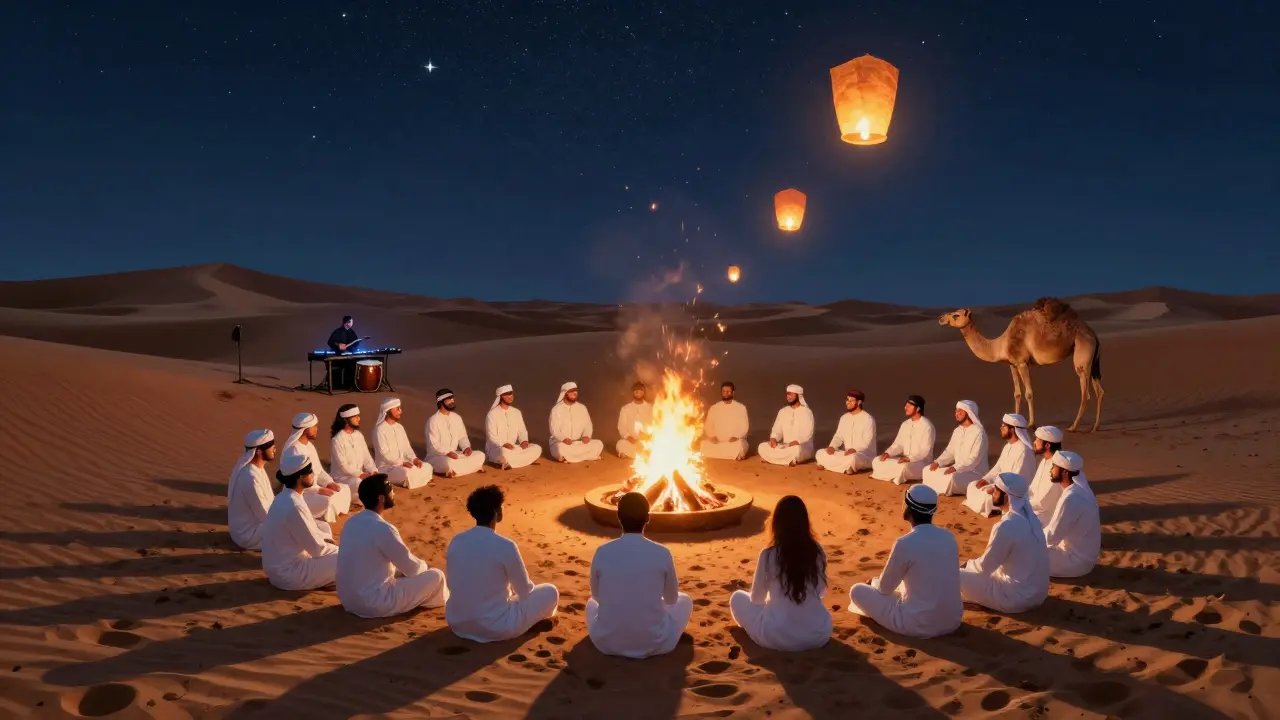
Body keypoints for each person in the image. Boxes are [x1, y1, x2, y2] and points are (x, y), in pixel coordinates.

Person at [445, 485, 560, 642]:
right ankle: (531, 623)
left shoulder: (457, 540)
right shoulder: (505, 545)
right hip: (495, 627)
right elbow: (525, 591)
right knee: (550, 591)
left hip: (458, 624)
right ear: (496, 512)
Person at [587, 492, 693, 658]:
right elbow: (672, 600)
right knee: (685, 600)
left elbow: (596, 596)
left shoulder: (602, 551)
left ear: (618, 517)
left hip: (606, 644)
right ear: (648, 518)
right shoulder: (662, 552)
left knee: (590, 604)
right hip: (656, 644)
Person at [848, 485, 963, 638]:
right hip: (952, 621)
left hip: (918, 624)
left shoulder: (905, 543)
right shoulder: (949, 537)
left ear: (908, 509)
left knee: (857, 590)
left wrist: (873, 583)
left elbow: (884, 588)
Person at [337, 474, 449, 618]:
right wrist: (424, 567)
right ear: (381, 498)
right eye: (390, 489)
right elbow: (412, 568)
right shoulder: (383, 528)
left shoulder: (351, 522)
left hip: (348, 601)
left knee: (397, 571)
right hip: (373, 603)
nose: (394, 492)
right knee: (436, 576)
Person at [730, 496, 832, 651]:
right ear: (805, 522)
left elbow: (757, 599)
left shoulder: (769, 554)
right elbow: (821, 592)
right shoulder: (817, 550)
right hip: (817, 636)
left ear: (776, 523)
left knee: (737, 597)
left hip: (777, 637)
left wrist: (776, 599)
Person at [958, 472, 1050, 613]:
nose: (992, 493)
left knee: (952, 573)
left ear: (1006, 496)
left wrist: (967, 565)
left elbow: (984, 567)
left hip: (1013, 598)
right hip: (1037, 595)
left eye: (996, 490)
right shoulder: (1033, 520)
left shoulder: (1007, 525)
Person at [262, 453, 340, 590]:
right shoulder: (295, 506)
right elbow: (317, 549)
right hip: (290, 574)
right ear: (299, 477)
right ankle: (327, 580)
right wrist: (340, 550)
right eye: (310, 471)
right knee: (348, 559)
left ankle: (328, 578)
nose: (313, 474)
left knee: (324, 530)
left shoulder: (283, 497)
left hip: (276, 570)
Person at [281, 412, 352, 523]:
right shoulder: (294, 450)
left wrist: (329, 483)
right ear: (305, 430)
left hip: (314, 487)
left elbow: (320, 471)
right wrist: (318, 490)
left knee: (344, 489)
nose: (316, 429)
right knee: (327, 500)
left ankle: (328, 512)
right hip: (301, 493)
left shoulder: (310, 446)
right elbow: (297, 481)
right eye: (314, 427)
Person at [963, 413, 1037, 517]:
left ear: (1012, 429)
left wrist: (995, 489)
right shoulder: (1007, 447)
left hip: (1011, 494)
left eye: (1004, 426)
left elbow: (1016, 480)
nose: (1001, 428)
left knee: (986, 497)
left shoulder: (1024, 451)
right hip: (999, 486)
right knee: (972, 485)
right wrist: (986, 479)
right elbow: (998, 468)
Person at [1043, 451, 1100, 578]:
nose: (1050, 470)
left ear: (1065, 472)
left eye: (1054, 467)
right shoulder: (1079, 490)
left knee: (1022, 552)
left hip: (1074, 561)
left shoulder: (1071, 497)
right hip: (1083, 559)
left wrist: (1028, 538)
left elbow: (1052, 535)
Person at [922, 400, 988, 496]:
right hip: (957, 470)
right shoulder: (957, 431)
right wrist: (938, 462)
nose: (956, 414)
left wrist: (955, 468)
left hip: (974, 473)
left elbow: (974, 459)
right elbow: (950, 451)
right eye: (956, 411)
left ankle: (943, 488)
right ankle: (939, 488)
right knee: (927, 470)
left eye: (960, 412)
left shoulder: (979, 433)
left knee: (952, 478)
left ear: (969, 413)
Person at [227, 429, 277, 551]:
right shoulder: (250, 477)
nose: (275, 449)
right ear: (259, 451)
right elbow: (264, 514)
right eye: (271, 447)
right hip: (249, 535)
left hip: (259, 526)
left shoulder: (257, 469)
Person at [871, 396, 937, 485]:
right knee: (877, 460)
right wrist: (888, 453)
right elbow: (898, 444)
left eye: (909, 406)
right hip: (903, 460)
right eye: (906, 405)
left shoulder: (927, 426)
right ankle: (894, 476)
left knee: (904, 467)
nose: (905, 408)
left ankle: (893, 476)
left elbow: (925, 450)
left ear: (918, 409)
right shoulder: (905, 424)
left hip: (920, 462)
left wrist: (910, 458)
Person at [425, 389, 487, 477]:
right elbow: (434, 444)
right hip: (438, 457)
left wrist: (466, 448)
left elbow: (462, 437)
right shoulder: (433, 421)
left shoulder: (457, 418)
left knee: (480, 455)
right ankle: (463, 468)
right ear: (441, 402)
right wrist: (447, 453)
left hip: (455, 454)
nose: (453, 401)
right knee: (448, 463)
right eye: (449, 399)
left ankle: (455, 471)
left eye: (453, 398)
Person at [372, 397, 432, 489]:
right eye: (397, 409)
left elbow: (407, 448)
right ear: (388, 411)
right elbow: (385, 453)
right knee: (406, 473)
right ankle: (414, 479)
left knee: (427, 467)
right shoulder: (379, 430)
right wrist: (401, 463)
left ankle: (413, 479)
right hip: (387, 468)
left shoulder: (400, 427)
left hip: (404, 464)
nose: (400, 411)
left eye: (400, 408)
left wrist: (415, 459)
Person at [816, 390, 877, 475]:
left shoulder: (868, 419)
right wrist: (832, 447)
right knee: (821, 452)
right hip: (846, 453)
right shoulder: (844, 418)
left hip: (863, 455)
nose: (847, 402)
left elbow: (867, 441)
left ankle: (831, 465)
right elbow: (838, 436)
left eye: (851, 400)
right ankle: (845, 468)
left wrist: (855, 449)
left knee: (853, 459)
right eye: (847, 400)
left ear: (859, 402)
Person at [484, 385, 543, 469]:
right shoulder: (492, 414)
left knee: (537, 448)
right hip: (497, 448)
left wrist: (524, 441)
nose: (510, 396)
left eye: (511, 394)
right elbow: (491, 436)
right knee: (503, 453)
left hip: (513, 447)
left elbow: (522, 431)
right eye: (507, 394)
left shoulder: (516, 412)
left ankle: (508, 462)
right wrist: (503, 444)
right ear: (500, 397)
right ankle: (523, 460)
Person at [758, 384, 816, 466]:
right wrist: (774, 438)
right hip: (785, 446)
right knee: (762, 446)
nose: (788, 396)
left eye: (791, 394)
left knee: (796, 450)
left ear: (798, 395)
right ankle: (787, 460)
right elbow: (777, 429)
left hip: (801, 446)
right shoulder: (783, 411)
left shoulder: (807, 412)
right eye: (787, 394)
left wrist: (797, 441)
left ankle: (772, 458)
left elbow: (808, 433)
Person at [549, 382, 605, 463]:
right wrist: (563, 439)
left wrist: (586, 435)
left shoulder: (582, 408)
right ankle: (587, 456)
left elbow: (588, 425)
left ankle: (570, 458)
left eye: (576, 391)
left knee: (598, 443)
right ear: (565, 393)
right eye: (571, 391)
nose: (575, 393)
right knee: (560, 449)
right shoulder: (556, 410)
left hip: (578, 443)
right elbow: (554, 429)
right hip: (561, 443)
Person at [329, 404, 377, 494]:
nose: (359, 419)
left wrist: (373, 471)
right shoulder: (337, 439)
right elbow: (343, 466)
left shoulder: (359, 435)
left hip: (360, 476)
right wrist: (360, 474)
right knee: (359, 483)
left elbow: (367, 458)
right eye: (355, 417)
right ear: (346, 420)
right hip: (343, 478)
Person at [1026, 426, 1066, 524]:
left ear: (1047, 445)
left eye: (1037, 440)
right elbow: (1032, 488)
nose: (1034, 443)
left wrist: (1021, 504)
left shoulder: (1057, 467)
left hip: (1048, 515)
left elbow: (1043, 501)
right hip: (1035, 508)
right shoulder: (1044, 461)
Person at [701, 381, 749, 461]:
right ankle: (729, 455)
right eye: (723, 391)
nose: (725, 393)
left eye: (728, 391)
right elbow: (708, 425)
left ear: (733, 393)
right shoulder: (714, 408)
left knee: (739, 445)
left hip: (734, 442)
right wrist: (712, 436)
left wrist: (736, 436)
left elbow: (745, 426)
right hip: (717, 441)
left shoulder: (741, 408)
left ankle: (725, 454)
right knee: (704, 444)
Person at [323, 315, 371, 390]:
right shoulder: (337, 332)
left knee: (352, 366)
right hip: (338, 355)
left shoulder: (351, 332)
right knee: (337, 369)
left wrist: (360, 341)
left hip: (349, 355)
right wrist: (338, 345)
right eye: (351, 322)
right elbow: (330, 342)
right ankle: (336, 386)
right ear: (346, 323)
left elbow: (355, 343)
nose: (352, 324)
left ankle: (349, 385)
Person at [615, 381, 654, 459]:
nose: (638, 393)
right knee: (620, 444)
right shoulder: (625, 408)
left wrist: (649, 436)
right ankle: (643, 455)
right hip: (631, 442)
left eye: (640, 391)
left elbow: (655, 425)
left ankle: (641, 454)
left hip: (647, 441)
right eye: (636, 391)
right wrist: (630, 438)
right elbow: (621, 427)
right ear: (633, 393)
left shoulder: (650, 408)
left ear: (643, 393)